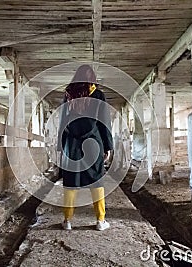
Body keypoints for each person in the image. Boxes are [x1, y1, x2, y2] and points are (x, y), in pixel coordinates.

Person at [57, 64, 113, 231]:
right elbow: (104, 122)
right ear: (92, 79)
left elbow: (62, 121)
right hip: (94, 143)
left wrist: (60, 146)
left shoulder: (68, 95)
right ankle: (100, 221)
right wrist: (108, 145)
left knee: (70, 182)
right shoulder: (98, 95)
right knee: (96, 180)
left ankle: (67, 221)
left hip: (71, 144)